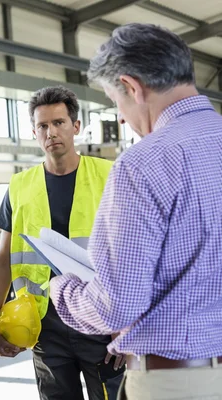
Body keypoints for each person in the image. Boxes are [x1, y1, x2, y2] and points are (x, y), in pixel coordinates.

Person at [49, 23, 222, 400]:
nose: (122, 118)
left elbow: (117, 305)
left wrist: (62, 291)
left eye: (116, 100)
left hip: (180, 383)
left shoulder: (144, 163)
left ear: (131, 86)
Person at [0, 86, 124, 400]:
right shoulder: (19, 186)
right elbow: (3, 259)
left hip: (101, 321)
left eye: (59, 123)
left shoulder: (110, 175)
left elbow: (131, 255)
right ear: (34, 132)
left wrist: (126, 323)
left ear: (75, 127)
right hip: (45, 328)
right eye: (43, 126)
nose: (51, 132)